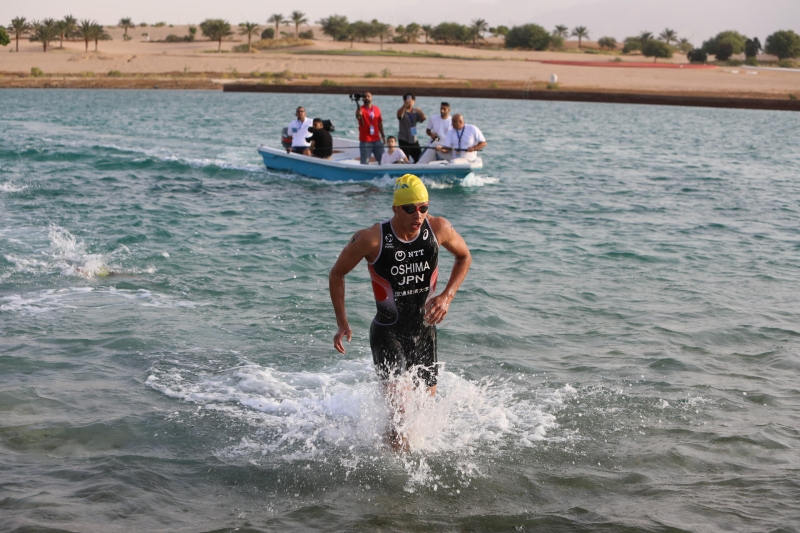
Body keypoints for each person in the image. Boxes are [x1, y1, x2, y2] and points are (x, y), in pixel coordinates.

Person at [329, 174, 472, 451]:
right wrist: (342, 322)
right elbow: (337, 274)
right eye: (410, 208)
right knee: (401, 416)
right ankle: (391, 470)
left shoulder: (438, 228)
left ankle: (406, 460)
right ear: (395, 208)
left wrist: (447, 296)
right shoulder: (371, 239)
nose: (418, 215)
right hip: (387, 333)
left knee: (423, 414)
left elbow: (464, 256)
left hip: (424, 332)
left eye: (423, 207)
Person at [396, 93, 426, 164]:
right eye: (407, 100)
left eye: (411, 100)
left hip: (414, 140)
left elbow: (423, 118)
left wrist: (420, 111)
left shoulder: (416, 112)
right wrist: (404, 106)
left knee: (420, 159)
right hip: (404, 140)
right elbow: (399, 115)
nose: (409, 102)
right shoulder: (402, 111)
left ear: (414, 101)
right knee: (405, 161)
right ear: (404, 101)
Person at [355, 92, 385, 164]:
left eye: (368, 96)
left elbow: (380, 123)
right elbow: (358, 116)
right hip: (365, 141)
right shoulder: (360, 109)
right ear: (362, 99)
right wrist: (358, 115)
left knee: (383, 160)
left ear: (372, 98)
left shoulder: (377, 109)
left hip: (377, 139)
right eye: (365, 96)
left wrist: (383, 135)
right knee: (364, 162)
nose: (367, 98)